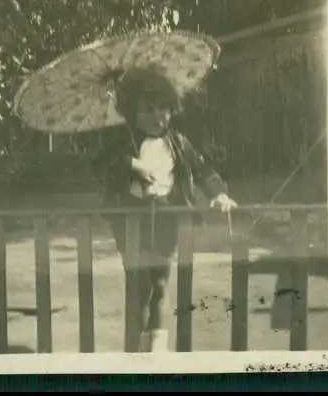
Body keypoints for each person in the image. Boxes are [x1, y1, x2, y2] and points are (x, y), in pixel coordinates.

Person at [92, 67, 237, 352]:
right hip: (133, 223)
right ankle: (134, 352)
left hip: (168, 221)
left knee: (159, 284)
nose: (159, 116)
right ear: (131, 112)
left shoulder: (179, 143)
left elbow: (204, 170)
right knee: (137, 286)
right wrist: (131, 165)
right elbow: (100, 166)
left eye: (165, 108)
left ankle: (156, 353)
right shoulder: (122, 142)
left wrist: (220, 194)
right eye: (148, 109)